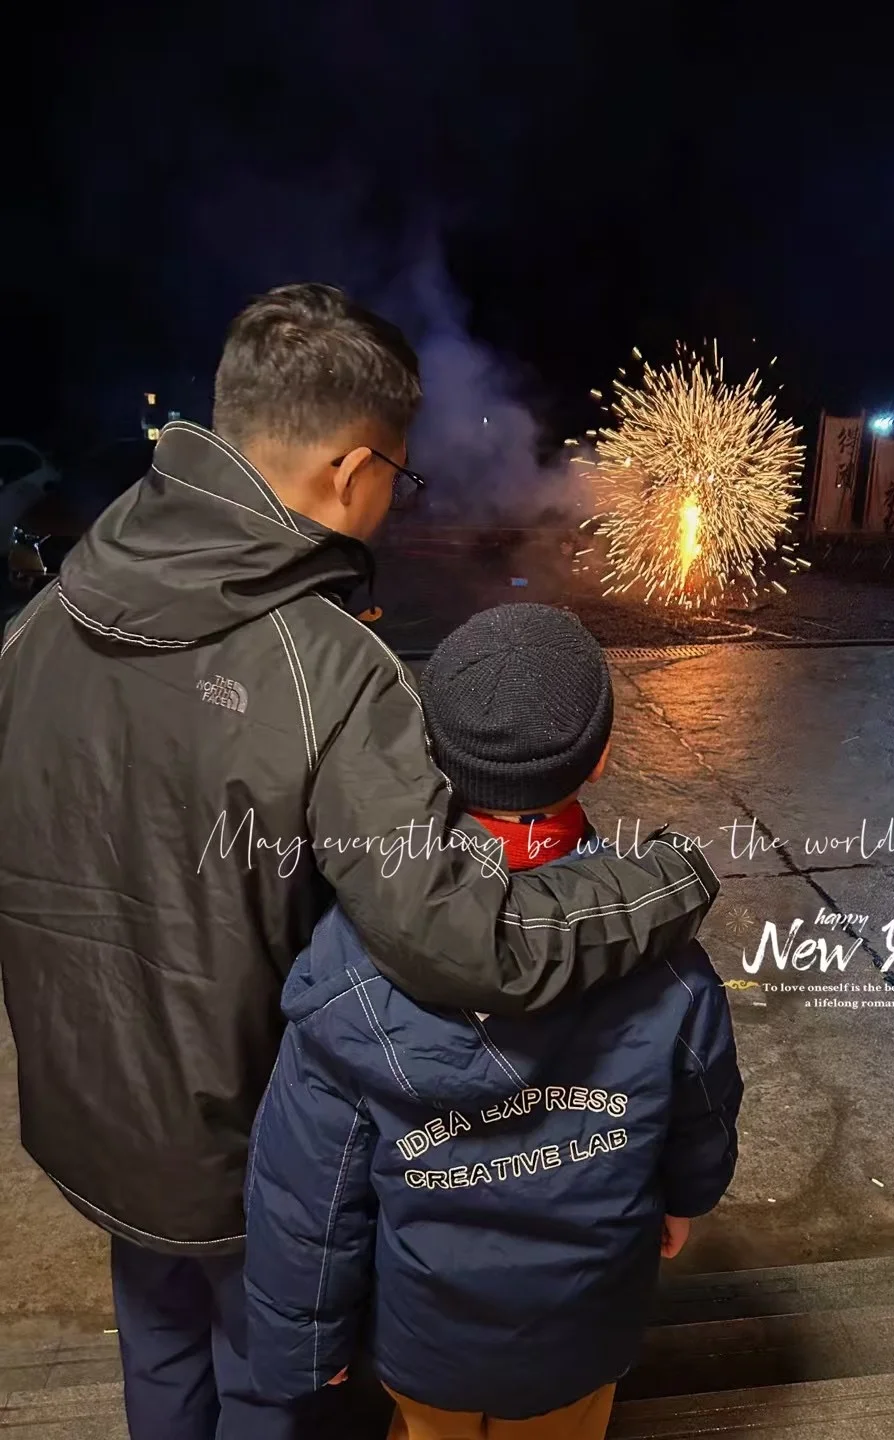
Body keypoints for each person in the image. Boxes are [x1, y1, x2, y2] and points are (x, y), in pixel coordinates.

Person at [0, 286, 718, 1440]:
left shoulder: (42, 618)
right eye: (401, 475)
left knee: (160, 1349)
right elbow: (462, 943)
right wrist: (666, 879)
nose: (393, 501)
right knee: (273, 1390)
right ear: (351, 469)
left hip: (94, 1122)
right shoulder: (327, 669)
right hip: (250, 1154)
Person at [244, 603, 743, 1439]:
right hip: (581, 1332)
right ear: (602, 757)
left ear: (431, 758)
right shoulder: (667, 960)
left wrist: (307, 1343)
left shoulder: (347, 964)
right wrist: (687, 1197)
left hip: (423, 1338)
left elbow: (308, 1189)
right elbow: (702, 1106)